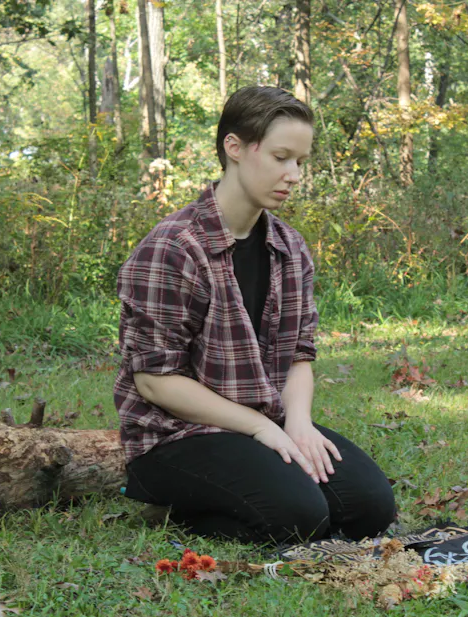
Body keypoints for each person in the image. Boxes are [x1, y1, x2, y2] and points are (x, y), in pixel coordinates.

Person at [114, 86, 396, 545]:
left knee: (370, 508)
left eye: (300, 162)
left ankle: (263, 482)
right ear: (235, 148)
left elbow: (300, 355)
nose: (294, 175)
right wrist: (263, 427)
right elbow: (154, 381)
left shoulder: (289, 247)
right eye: (282, 157)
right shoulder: (173, 247)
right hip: (175, 436)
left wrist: (298, 424)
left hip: (262, 421)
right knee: (298, 517)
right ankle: (177, 507)